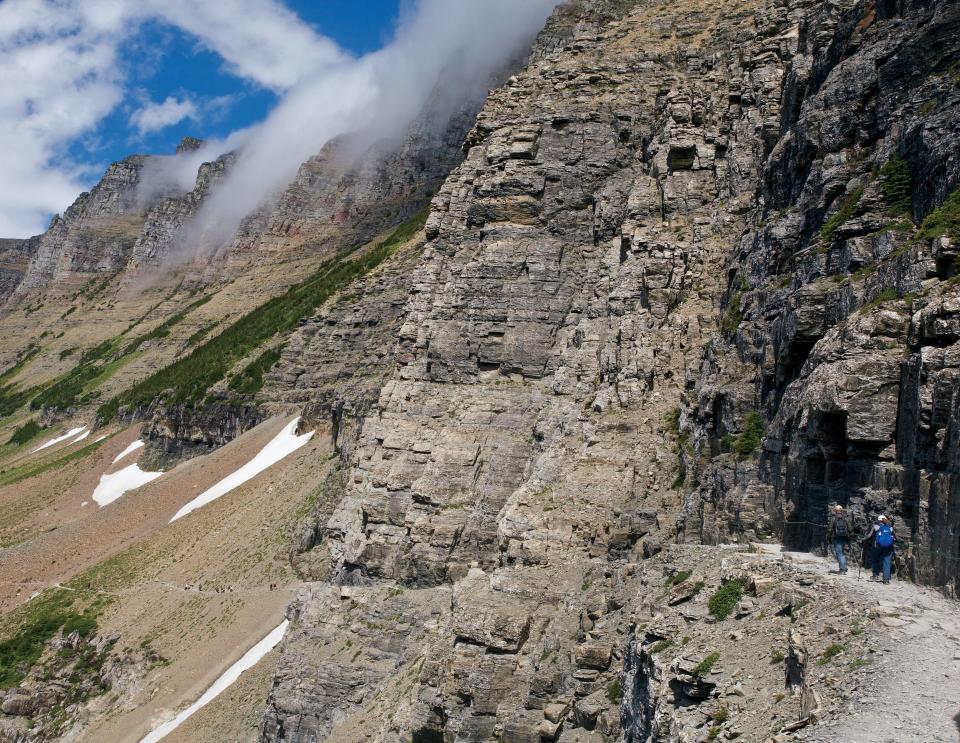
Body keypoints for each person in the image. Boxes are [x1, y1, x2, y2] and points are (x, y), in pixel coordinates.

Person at [863, 514, 895, 584]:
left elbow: (869, 536)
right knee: (886, 562)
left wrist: (864, 540)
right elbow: (894, 538)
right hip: (888, 547)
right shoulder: (890, 528)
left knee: (875, 560)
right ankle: (886, 580)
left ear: (879, 520)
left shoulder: (875, 527)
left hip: (877, 547)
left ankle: (875, 576)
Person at [827, 504, 851, 574]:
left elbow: (829, 530)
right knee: (842, 552)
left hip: (836, 537)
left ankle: (842, 569)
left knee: (839, 553)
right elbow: (850, 529)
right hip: (844, 537)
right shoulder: (846, 518)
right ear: (841, 511)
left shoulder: (833, 518)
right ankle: (844, 566)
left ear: (835, 511)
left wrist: (828, 538)